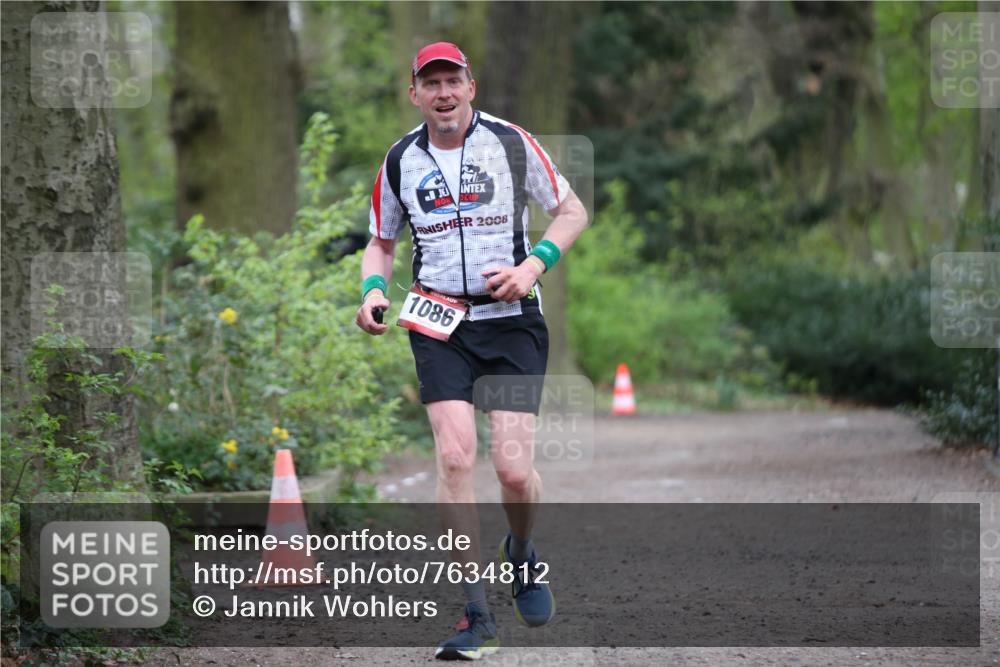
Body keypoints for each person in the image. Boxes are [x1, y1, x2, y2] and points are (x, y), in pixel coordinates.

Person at [355, 41, 588, 661]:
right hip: (437, 323)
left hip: (511, 323)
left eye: (452, 80)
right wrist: (373, 292)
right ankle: (475, 613)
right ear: (415, 95)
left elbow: (571, 210)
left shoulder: (511, 143)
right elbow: (379, 242)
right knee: (455, 460)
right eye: (430, 84)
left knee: (512, 470)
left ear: (471, 86)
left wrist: (534, 266)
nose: (443, 93)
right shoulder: (401, 159)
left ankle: (521, 550)